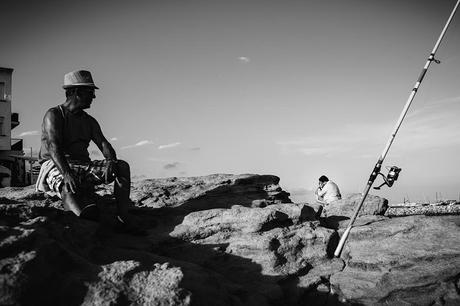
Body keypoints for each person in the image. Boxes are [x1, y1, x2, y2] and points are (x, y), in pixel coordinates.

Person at [35, 70, 143, 234]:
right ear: (76, 92)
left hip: (83, 165)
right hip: (56, 164)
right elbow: (53, 146)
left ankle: (123, 217)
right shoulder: (54, 114)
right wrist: (66, 173)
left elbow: (104, 144)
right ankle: (80, 217)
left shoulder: (89, 121)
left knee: (122, 167)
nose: (94, 97)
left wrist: (111, 162)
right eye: (90, 92)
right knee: (68, 186)